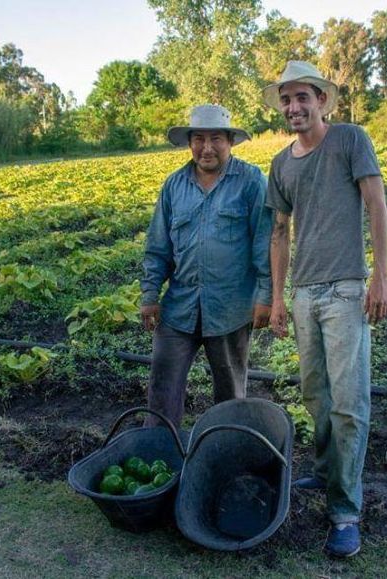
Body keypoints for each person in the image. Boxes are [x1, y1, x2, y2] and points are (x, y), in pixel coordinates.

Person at [262, 61, 387, 558]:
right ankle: (323, 471)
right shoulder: (281, 163)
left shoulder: (350, 140)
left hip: (345, 290)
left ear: (321, 100)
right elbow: (279, 231)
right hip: (304, 294)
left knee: (348, 402)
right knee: (315, 394)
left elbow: (377, 205)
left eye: (303, 98)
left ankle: (345, 512)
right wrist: (278, 297)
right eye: (287, 100)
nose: (294, 107)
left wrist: (379, 277)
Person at [140, 104, 273, 428]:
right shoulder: (174, 186)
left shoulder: (251, 180)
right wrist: (149, 294)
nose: (207, 147)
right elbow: (158, 246)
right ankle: (159, 454)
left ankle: (223, 456)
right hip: (179, 307)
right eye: (199, 138)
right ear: (190, 142)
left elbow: (265, 242)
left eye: (216, 139)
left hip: (230, 308)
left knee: (229, 395)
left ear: (230, 141)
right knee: (162, 388)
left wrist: (265, 295)